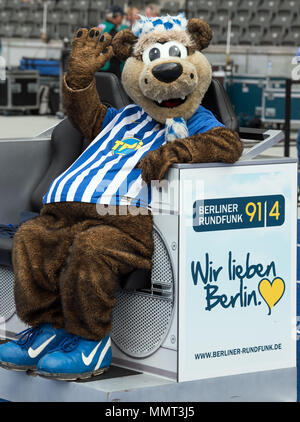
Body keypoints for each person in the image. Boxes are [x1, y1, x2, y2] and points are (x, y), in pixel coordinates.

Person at [98, 5, 127, 77]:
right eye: (121, 16)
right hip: (109, 66)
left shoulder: (101, 26)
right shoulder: (112, 29)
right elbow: (116, 49)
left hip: (99, 64)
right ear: (115, 16)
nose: (122, 19)